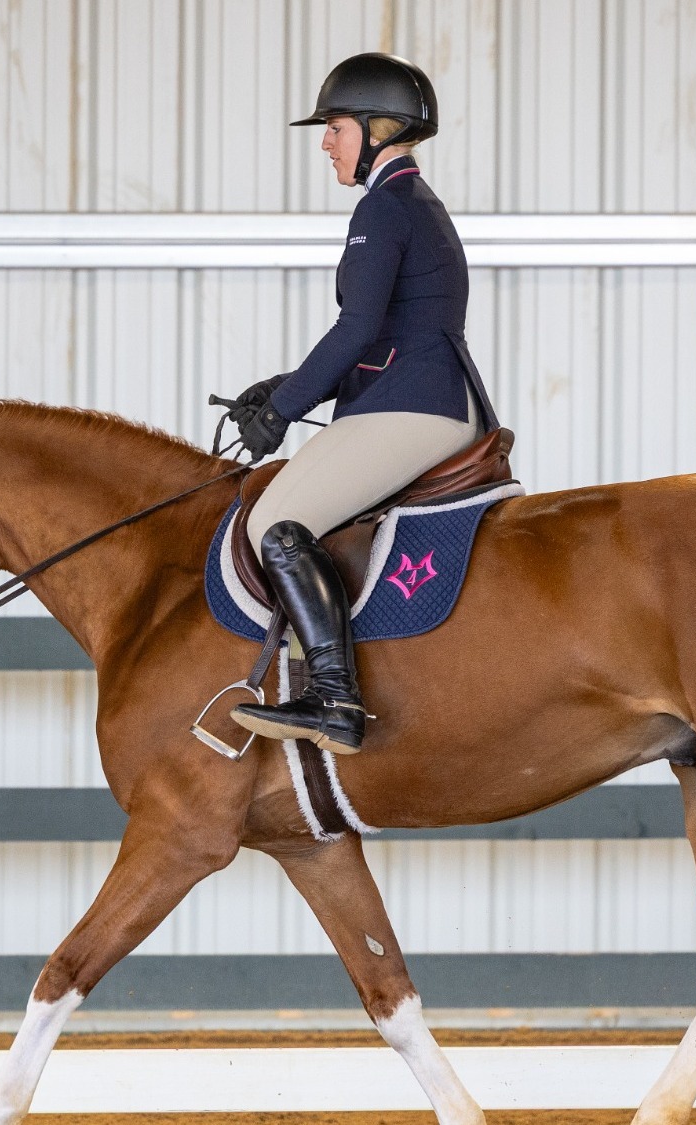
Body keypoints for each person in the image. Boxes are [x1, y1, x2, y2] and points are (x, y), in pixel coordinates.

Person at [225, 52, 500, 755]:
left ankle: (334, 700)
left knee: (276, 524)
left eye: (336, 127)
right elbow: (383, 332)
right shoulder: (407, 203)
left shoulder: (383, 207)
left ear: (380, 129)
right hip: (422, 391)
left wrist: (283, 410)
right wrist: (286, 383)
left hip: (414, 404)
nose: (326, 142)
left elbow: (354, 328)